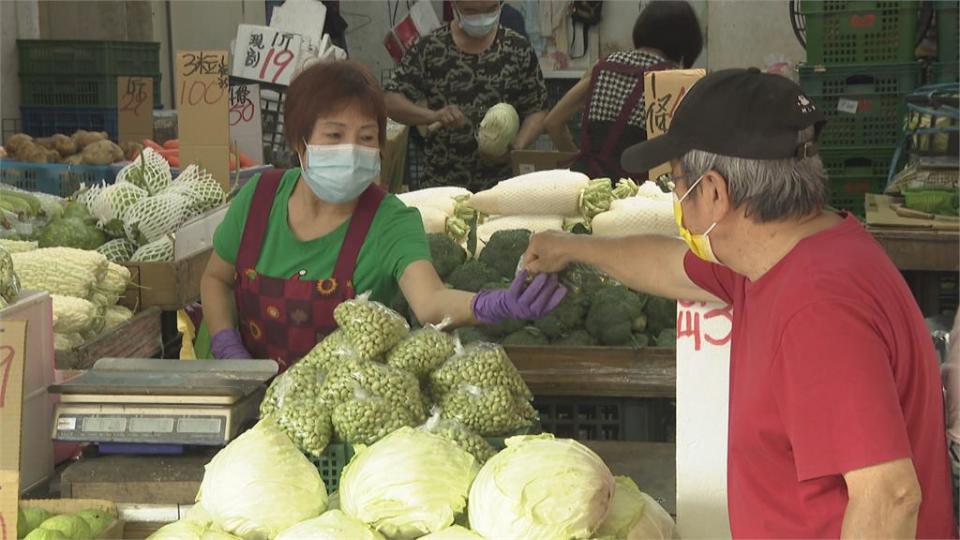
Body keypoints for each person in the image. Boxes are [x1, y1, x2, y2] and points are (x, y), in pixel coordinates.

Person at [524, 68, 959, 538]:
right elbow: (668, 264)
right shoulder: (783, 257)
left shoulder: (818, 308)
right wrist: (571, 247)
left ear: (713, 192)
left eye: (676, 185)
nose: (678, 202)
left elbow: (890, 497)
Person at [196, 61, 565, 369]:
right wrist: (228, 347)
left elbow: (430, 302)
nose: (352, 150)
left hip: (344, 412)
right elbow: (216, 279)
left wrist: (492, 303)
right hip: (240, 400)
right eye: (334, 135)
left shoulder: (389, 220)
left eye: (367, 138)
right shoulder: (258, 199)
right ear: (299, 141)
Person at [384, 0, 548, 192]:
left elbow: (537, 109)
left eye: (490, 10)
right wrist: (433, 116)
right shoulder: (430, 47)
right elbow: (390, 101)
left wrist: (515, 147)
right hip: (442, 186)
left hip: (501, 187)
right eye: (471, 11)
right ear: (454, 6)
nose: (481, 18)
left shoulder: (517, 49)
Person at [544, 0, 702, 180]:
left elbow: (552, 122)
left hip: (588, 190)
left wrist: (583, 162)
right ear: (687, 44)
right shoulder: (675, 82)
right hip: (637, 198)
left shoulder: (602, 67)